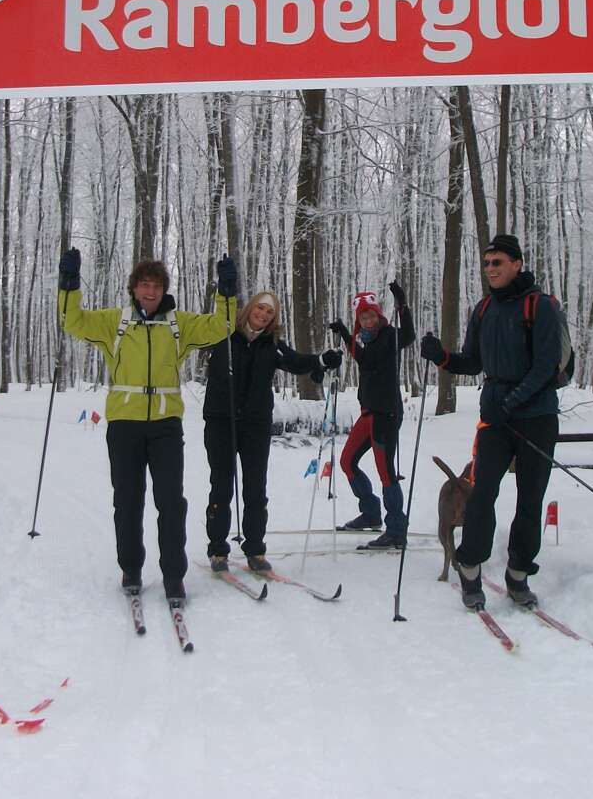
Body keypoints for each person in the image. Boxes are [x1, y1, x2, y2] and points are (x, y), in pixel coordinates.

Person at [58, 249, 236, 605]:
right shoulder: (115, 321)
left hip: (166, 425)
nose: (150, 292)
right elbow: (73, 321)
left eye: (156, 285)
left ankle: (173, 575)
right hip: (124, 424)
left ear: (164, 289)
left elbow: (222, 326)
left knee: (171, 502)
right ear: (134, 289)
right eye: (143, 285)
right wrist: (69, 283)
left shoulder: (178, 323)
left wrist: (226, 291)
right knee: (127, 501)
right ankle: (131, 567)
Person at [419, 233, 563, 610]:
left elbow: (545, 366)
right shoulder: (483, 310)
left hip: (537, 416)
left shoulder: (542, 306)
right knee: (481, 493)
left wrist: (513, 402)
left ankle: (518, 573)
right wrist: (442, 357)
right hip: (495, 419)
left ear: (517, 263)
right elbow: (473, 362)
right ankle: (470, 566)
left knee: (531, 498)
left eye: (497, 262)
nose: (490, 269)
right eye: (486, 263)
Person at [202, 291, 343, 573]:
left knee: (256, 488)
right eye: (261, 308)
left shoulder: (272, 345)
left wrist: (321, 361)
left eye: (270, 312)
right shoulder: (223, 335)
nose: (264, 314)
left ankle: (255, 549)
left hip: (255, 424)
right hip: (221, 421)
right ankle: (218, 549)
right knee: (221, 486)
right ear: (250, 308)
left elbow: (296, 361)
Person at [328, 281, 415, 549]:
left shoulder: (389, 335)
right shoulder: (369, 341)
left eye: (371, 315)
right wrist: (344, 333)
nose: (368, 320)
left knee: (386, 473)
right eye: (363, 317)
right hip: (367, 414)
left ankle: (397, 530)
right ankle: (370, 512)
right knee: (347, 462)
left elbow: (409, 336)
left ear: (379, 315)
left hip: (386, 415)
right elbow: (363, 359)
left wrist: (402, 305)